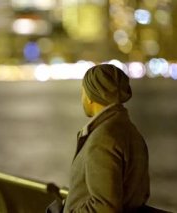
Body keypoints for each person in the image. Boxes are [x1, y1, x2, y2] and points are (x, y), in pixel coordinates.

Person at [63, 64, 150, 213]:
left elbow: (105, 207)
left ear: (91, 96)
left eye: (82, 91)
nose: (82, 97)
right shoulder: (131, 132)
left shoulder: (102, 139)